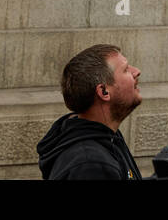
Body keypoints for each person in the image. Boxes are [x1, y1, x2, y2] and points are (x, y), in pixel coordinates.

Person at [37, 44, 144, 180]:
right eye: (126, 69)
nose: (136, 71)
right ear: (104, 92)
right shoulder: (90, 165)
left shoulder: (108, 137)